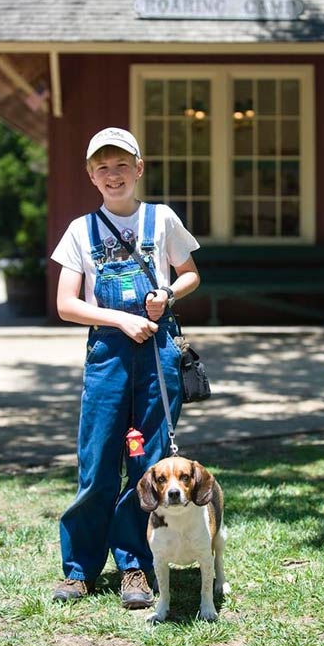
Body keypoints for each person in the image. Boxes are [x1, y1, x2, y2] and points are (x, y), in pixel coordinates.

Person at [50, 126, 200, 606]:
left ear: (138, 169)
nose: (112, 175)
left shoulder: (162, 219)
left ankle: (135, 566)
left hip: (158, 353)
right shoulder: (80, 229)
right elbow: (66, 305)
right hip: (107, 356)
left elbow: (191, 274)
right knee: (97, 465)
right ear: (91, 176)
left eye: (121, 166)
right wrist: (119, 319)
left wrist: (167, 295)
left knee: (149, 465)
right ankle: (79, 570)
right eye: (102, 168)